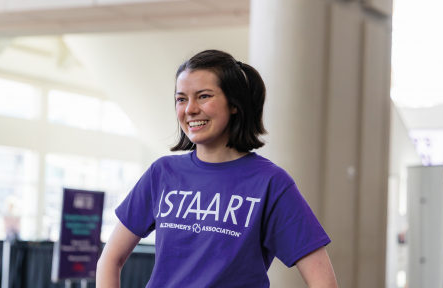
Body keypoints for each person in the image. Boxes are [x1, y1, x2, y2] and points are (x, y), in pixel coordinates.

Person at [97, 50, 338, 288]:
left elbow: (323, 281)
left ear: (234, 104)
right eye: (181, 99)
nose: (190, 109)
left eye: (203, 96)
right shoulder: (162, 173)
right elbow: (110, 260)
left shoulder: (270, 183)